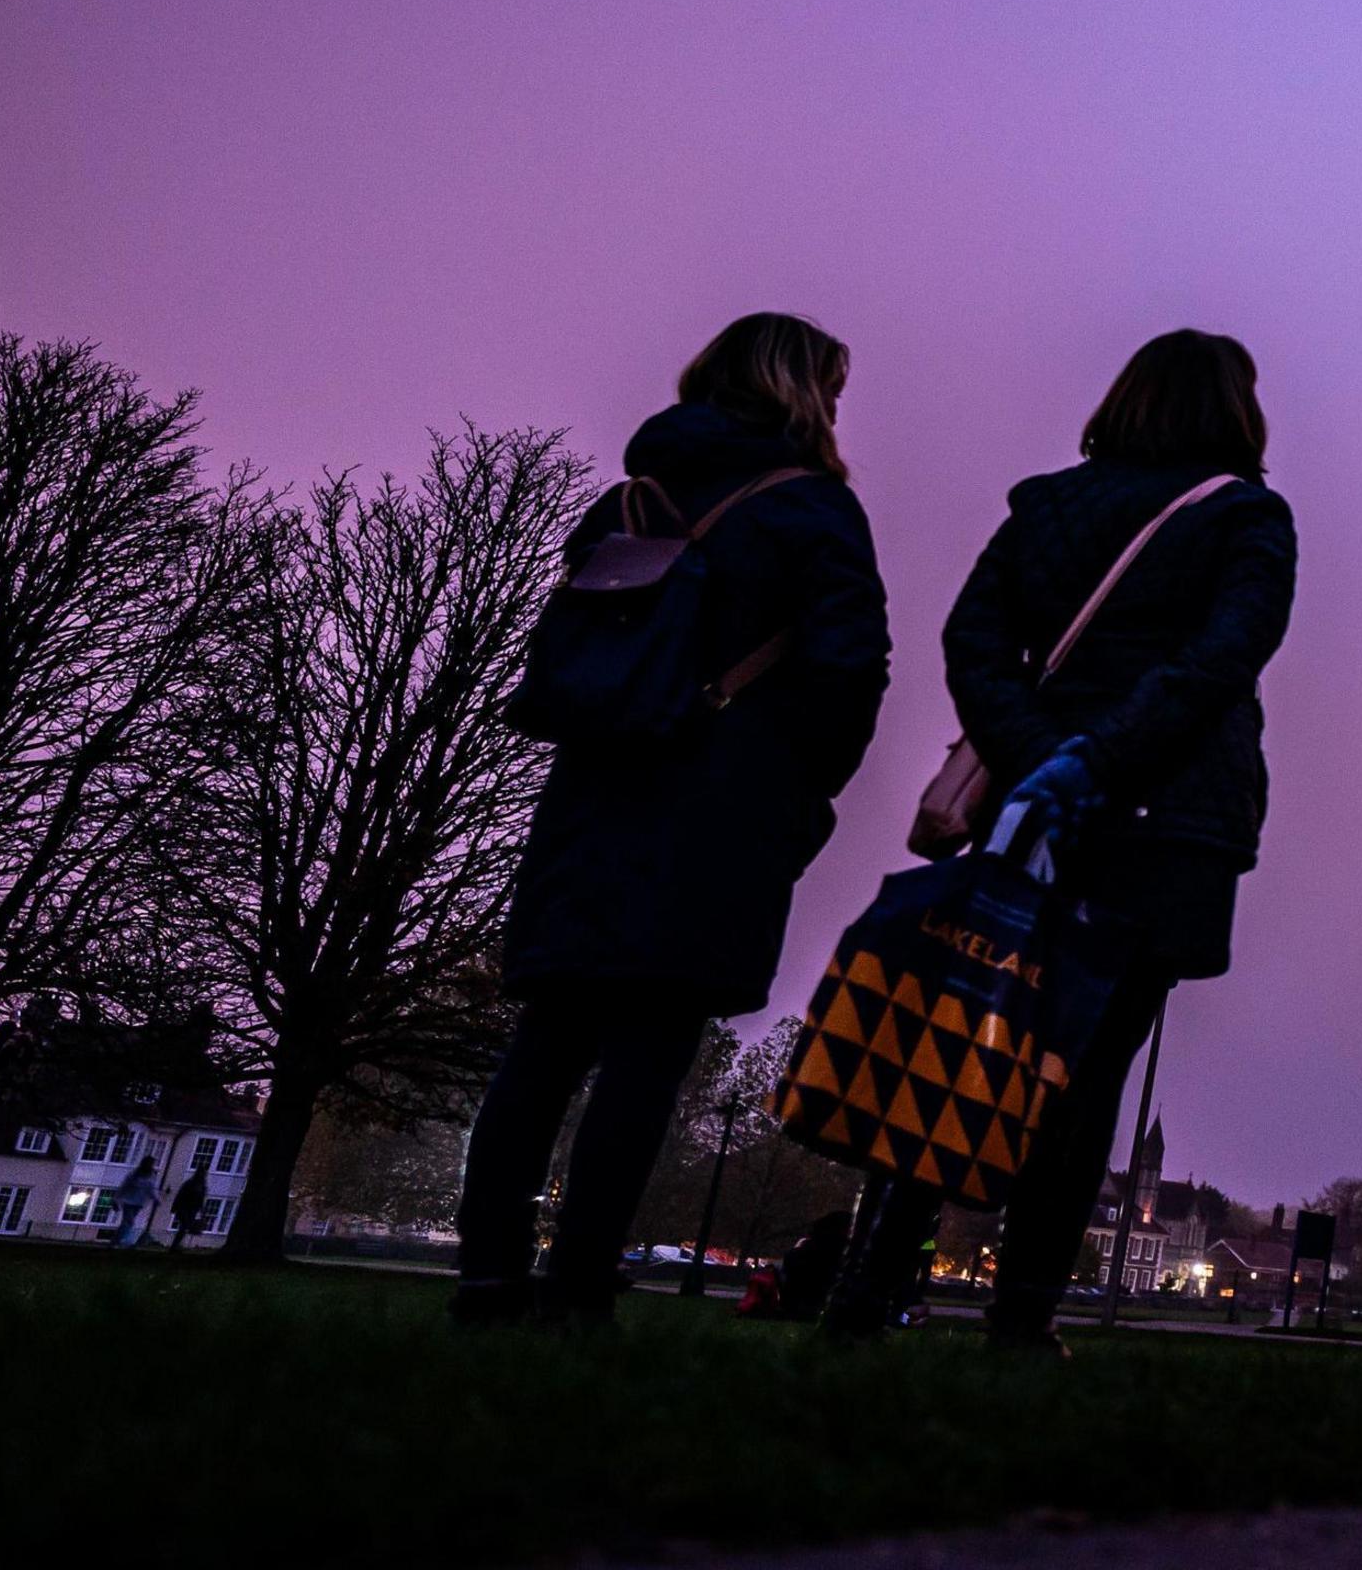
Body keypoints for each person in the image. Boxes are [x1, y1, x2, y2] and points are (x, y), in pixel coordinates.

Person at [825, 330, 1297, 1351]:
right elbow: (1223, 660)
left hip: (1032, 809)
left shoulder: (1043, 508)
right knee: (1089, 1077)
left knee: (960, 1044)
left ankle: (868, 1290)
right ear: (1236, 412)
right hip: (1164, 818)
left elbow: (973, 642)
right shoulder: (1249, 519)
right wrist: (1106, 759)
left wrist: (1042, 752)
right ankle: (1024, 1313)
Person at [456, 314, 891, 1328]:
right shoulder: (813, 511)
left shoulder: (628, 501)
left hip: (596, 791)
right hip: (719, 806)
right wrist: (805, 791)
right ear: (804, 392)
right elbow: (850, 668)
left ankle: (486, 1280)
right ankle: (578, 1288)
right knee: (650, 1052)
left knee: (546, 1041)